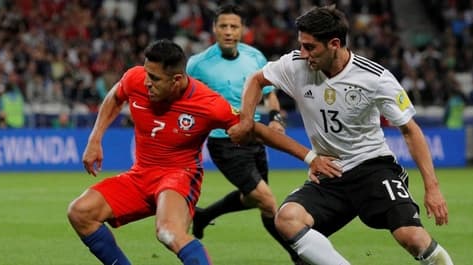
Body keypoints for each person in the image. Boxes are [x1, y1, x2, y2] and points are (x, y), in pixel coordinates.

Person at [66, 39, 340, 265]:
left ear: (176, 80)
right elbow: (117, 94)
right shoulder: (137, 78)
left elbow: (255, 129)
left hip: (178, 176)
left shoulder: (208, 105)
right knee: (80, 212)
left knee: (168, 232)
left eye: (155, 78)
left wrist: (309, 157)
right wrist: (95, 137)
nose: (146, 83)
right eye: (146, 74)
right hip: (140, 175)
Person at [229, 6, 455, 265]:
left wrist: (432, 188)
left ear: (334, 44)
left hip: (372, 167)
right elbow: (257, 80)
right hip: (330, 173)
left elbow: (410, 130)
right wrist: (246, 119)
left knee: (412, 237)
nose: (303, 54)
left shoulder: (375, 78)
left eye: (310, 47)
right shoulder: (296, 65)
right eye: (301, 45)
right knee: (287, 218)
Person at [185, 4, 303, 264]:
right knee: (268, 202)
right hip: (223, 141)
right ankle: (300, 256)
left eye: (234, 26)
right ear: (214, 29)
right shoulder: (197, 65)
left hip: (255, 136)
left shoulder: (255, 57)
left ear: (242, 30)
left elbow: (270, 94)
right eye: (223, 26)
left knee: (255, 199)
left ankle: (204, 216)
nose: (229, 32)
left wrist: (275, 118)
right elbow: (184, 102)